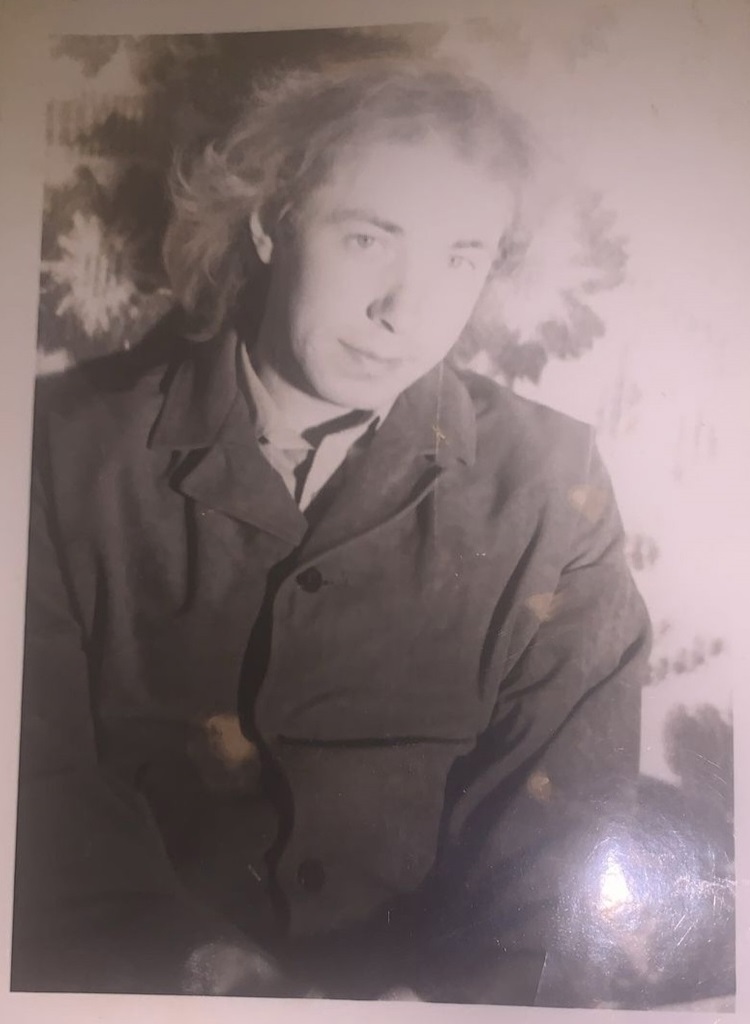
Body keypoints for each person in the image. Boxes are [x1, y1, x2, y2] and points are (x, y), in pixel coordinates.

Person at [12, 57, 651, 1004]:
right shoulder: (54, 452)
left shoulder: (555, 484)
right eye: (366, 239)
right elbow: (37, 802)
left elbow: (565, 841)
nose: (404, 312)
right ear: (270, 224)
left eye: (460, 257)